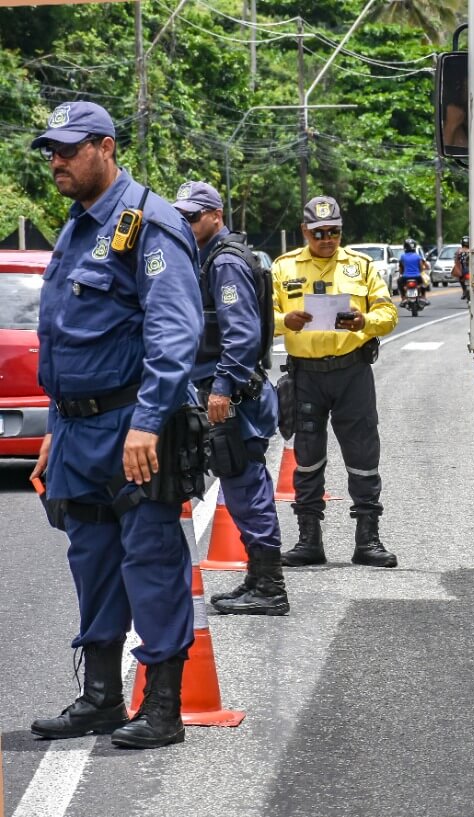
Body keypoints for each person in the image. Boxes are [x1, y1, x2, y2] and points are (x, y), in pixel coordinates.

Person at [28, 101, 202, 749]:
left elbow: (174, 330)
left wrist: (149, 422)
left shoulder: (148, 224)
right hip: (77, 429)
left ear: (106, 146)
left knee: (150, 559)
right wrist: (55, 426)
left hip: (134, 423)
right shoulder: (76, 228)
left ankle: (162, 708)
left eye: (69, 149)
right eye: (51, 150)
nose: (56, 161)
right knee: (92, 561)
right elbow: (64, 342)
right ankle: (101, 697)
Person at [172, 180, 288, 617]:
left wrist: (222, 387)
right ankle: (260, 580)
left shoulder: (224, 263)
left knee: (244, 485)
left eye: (193, 216)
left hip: (233, 398)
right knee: (241, 484)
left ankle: (270, 587)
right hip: (227, 393)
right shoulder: (209, 257)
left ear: (216, 216)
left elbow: (241, 335)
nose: (186, 223)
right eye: (181, 216)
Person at [273, 196, 400, 567]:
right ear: (304, 231)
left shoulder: (361, 266)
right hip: (307, 376)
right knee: (308, 458)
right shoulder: (283, 268)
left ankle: (368, 539)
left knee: (363, 456)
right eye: (319, 233)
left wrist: (365, 322)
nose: (327, 239)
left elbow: (388, 312)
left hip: (352, 372)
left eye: (334, 232)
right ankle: (309, 539)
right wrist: (286, 322)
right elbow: (264, 314)